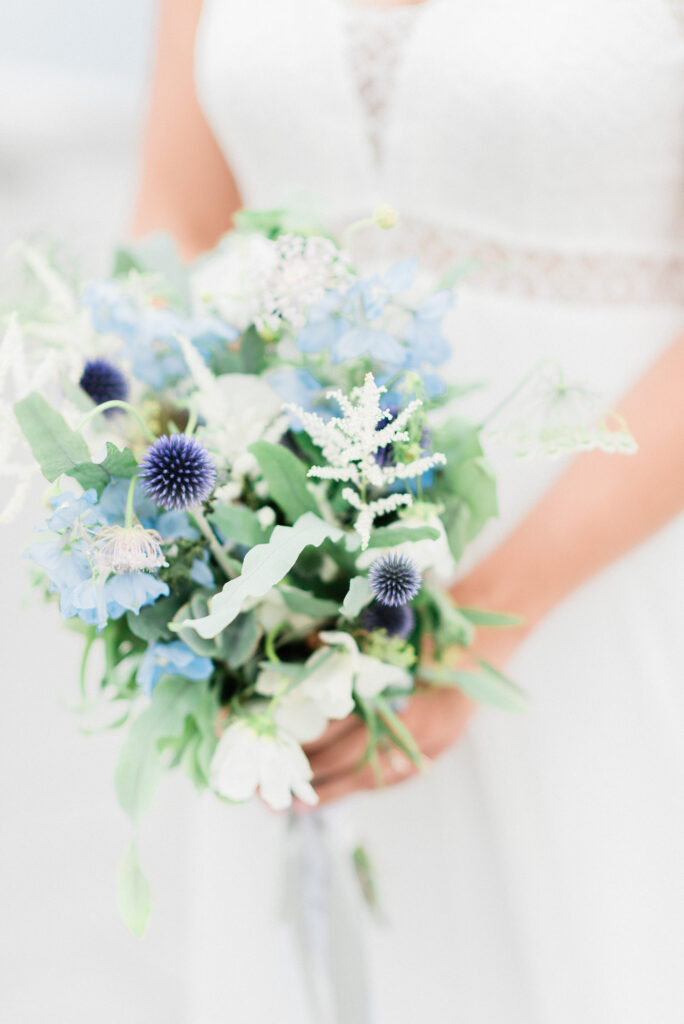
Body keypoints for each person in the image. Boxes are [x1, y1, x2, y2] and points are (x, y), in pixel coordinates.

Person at [132, 1, 684, 1021]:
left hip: (597, 573)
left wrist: (480, 623)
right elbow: (179, 221)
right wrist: (201, 549)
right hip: (286, 597)